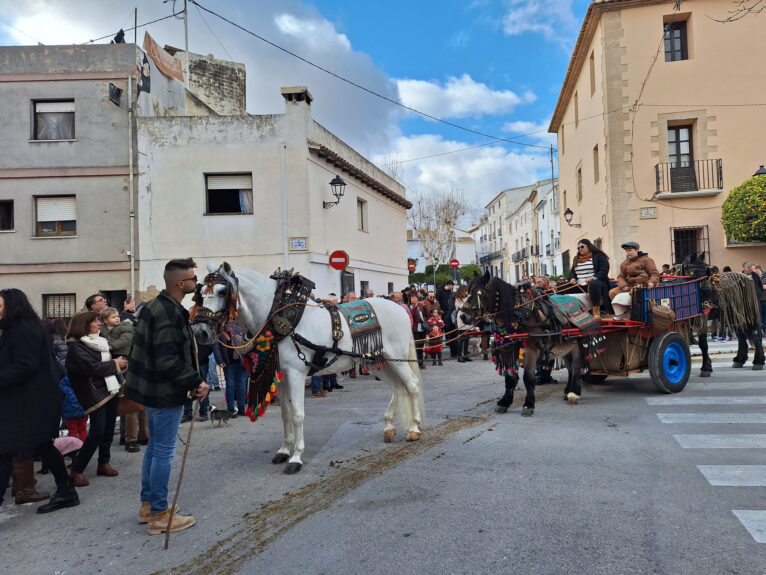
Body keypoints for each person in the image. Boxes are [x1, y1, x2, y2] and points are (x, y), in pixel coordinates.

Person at [125, 258, 209, 535]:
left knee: (155, 448)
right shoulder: (168, 313)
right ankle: (159, 515)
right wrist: (196, 380)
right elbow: (167, 360)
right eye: (193, 279)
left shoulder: (157, 306)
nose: (197, 283)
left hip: (153, 390)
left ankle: (148, 505)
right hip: (163, 392)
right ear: (180, 283)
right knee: (163, 451)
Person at [0, 288, 80, 514]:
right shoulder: (18, 329)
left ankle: (66, 491)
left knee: (6, 449)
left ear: (13, 307)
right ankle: (66, 491)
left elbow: (25, 365)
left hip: (31, 401)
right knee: (41, 444)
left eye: (0, 306)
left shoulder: (23, 330)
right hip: (30, 400)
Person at [66, 311, 125, 486]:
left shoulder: (99, 341)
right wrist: (115, 364)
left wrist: (120, 361)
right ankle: (77, 470)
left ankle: (103, 463)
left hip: (109, 389)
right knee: (97, 431)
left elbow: (102, 364)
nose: (99, 324)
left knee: (108, 429)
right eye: (95, 321)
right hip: (93, 393)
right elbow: (93, 368)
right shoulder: (76, 347)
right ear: (84, 325)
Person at [609, 241, 660, 319]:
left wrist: (652, 282)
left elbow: (654, 273)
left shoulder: (646, 260)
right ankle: (621, 314)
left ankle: (634, 313)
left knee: (635, 292)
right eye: (626, 251)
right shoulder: (624, 263)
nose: (628, 253)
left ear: (637, 250)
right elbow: (620, 276)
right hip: (629, 286)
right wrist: (623, 286)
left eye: (630, 250)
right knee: (612, 292)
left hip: (642, 285)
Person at [564, 238, 611, 319]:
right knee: (559, 285)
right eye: (578, 248)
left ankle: (596, 311)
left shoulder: (599, 256)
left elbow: (604, 270)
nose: (580, 249)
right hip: (579, 284)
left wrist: (593, 278)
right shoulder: (576, 259)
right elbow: (572, 273)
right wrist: (572, 279)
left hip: (596, 283)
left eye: (582, 247)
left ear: (589, 246)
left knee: (594, 284)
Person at [454, 285, 473, 362]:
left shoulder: (469, 297)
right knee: (461, 339)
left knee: (467, 339)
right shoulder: (458, 299)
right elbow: (462, 307)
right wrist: (468, 299)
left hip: (468, 318)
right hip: (462, 318)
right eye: (465, 291)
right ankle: (459, 356)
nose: (467, 292)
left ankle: (465, 355)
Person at [410, 299, 429, 369]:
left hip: (422, 329)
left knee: (420, 347)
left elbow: (427, 314)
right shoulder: (411, 307)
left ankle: (420, 363)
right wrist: (415, 307)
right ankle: (415, 363)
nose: (415, 301)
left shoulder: (421, 307)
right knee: (416, 347)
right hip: (416, 330)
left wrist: (424, 306)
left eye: (416, 300)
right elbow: (412, 314)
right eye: (414, 299)